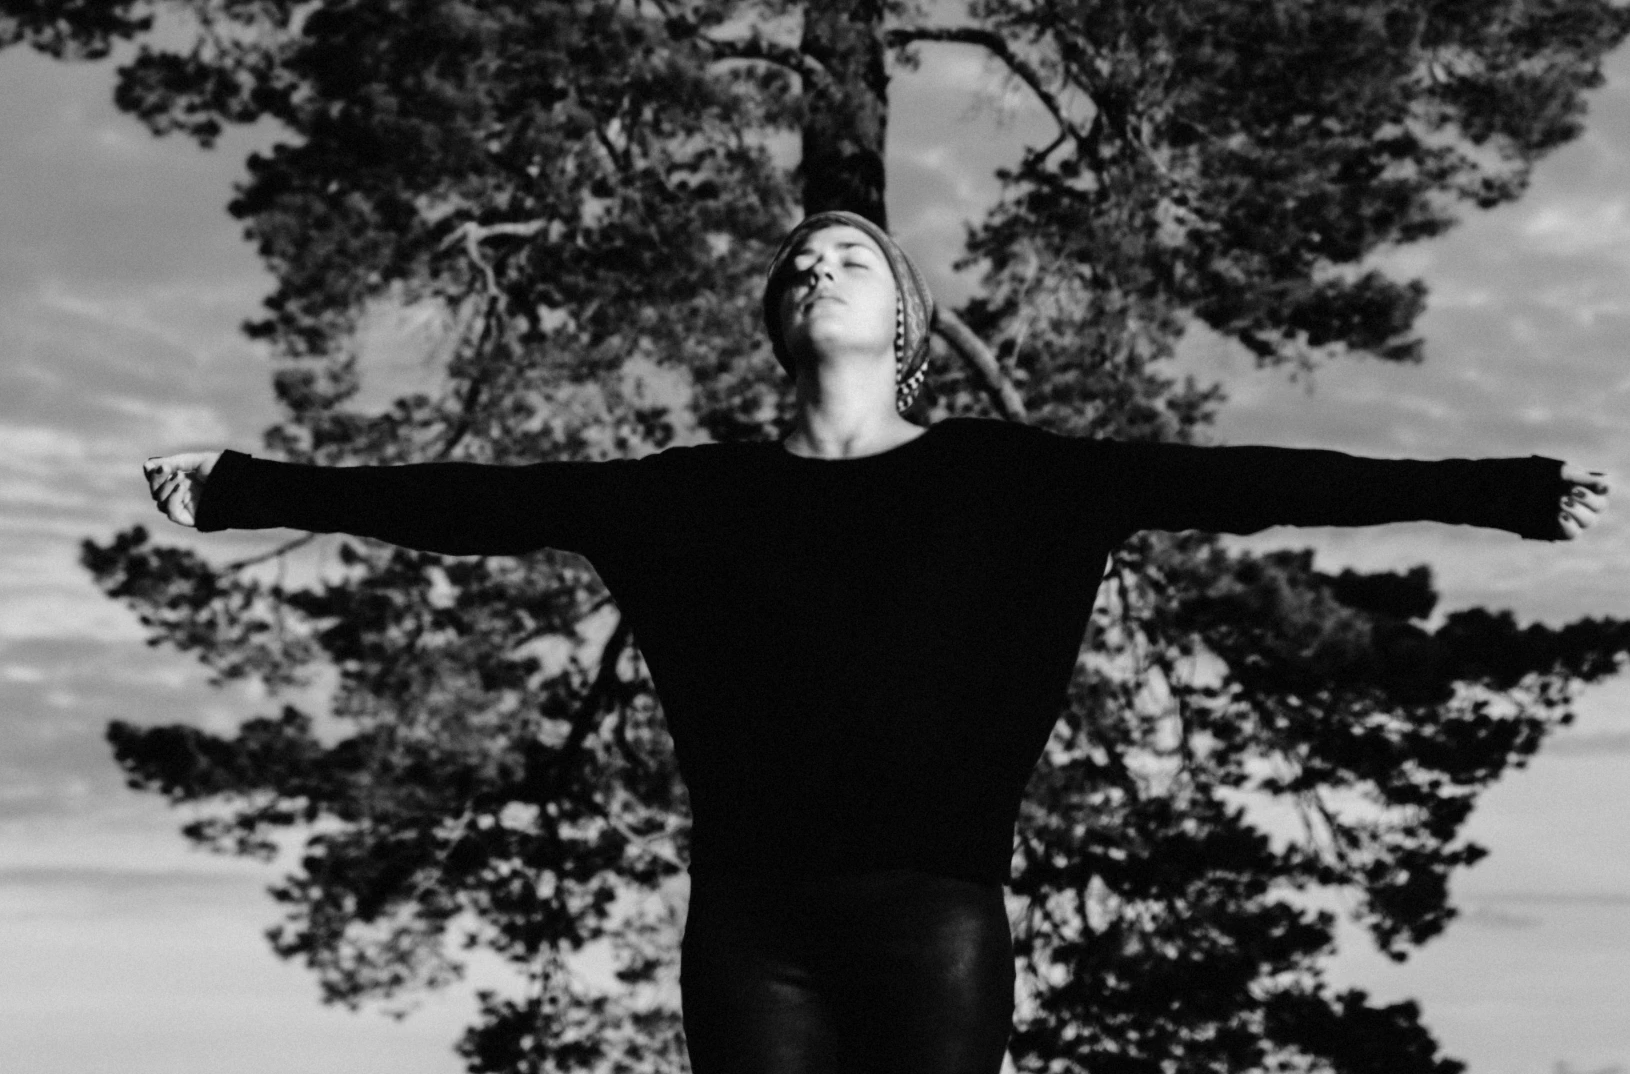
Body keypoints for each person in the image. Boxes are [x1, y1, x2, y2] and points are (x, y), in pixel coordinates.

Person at [144, 211, 1610, 1074]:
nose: (818, 265)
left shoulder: (1025, 480)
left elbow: (1274, 483)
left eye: (852, 257)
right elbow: (456, 503)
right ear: (776, 321)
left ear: (907, 319)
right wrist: (240, 492)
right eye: (798, 263)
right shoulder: (682, 499)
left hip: (934, 919)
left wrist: (1512, 493)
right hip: (749, 929)